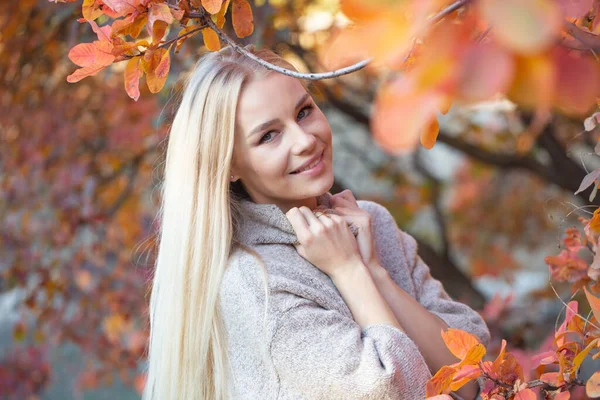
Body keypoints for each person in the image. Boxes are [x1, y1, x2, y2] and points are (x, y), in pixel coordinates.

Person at [142, 44, 490, 400]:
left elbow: (473, 371)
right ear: (229, 166)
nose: (305, 140)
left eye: (304, 111)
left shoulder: (372, 223)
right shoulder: (252, 280)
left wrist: (375, 272)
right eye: (268, 135)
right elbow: (393, 389)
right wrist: (350, 271)